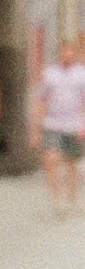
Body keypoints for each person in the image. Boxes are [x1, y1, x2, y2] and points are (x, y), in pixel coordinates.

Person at [30, 38, 85, 213]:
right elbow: (41, 101)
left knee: (71, 163)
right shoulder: (50, 74)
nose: (66, 55)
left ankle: (72, 199)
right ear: (59, 54)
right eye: (63, 52)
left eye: (70, 52)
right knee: (51, 160)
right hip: (52, 123)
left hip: (74, 124)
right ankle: (56, 199)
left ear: (74, 54)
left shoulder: (81, 74)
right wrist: (36, 128)